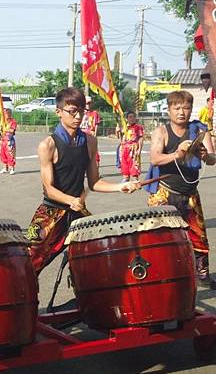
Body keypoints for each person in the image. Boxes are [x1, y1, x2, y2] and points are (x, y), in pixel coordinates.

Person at [26, 87, 140, 275]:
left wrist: (121, 186)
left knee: (98, 254)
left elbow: (94, 182)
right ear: (58, 112)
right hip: (51, 212)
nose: (78, 116)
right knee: (28, 262)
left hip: (77, 212)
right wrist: (70, 200)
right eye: (72, 111)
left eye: (81, 111)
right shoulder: (48, 145)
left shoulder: (90, 141)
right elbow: (49, 189)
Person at [148, 90, 216, 290]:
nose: (181, 112)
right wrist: (177, 154)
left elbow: (212, 158)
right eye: (176, 108)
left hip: (190, 193)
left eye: (185, 108)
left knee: (199, 237)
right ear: (168, 110)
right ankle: (157, 276)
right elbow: (155, 159)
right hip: (164, 192)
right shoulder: (161, 131)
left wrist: (205, 156)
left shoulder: (199, 130)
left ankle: (202, 273)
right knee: (158, 238)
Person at [119, 111, 145, 182]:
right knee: (124, 164)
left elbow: (141, 138)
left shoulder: (138, 127)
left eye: (133, 117)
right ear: (126, 118)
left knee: (134, 164)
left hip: (133, 148)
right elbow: (121, 138)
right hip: (124, 148)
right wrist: (118, 131)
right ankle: (126, 178)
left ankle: (135, 179)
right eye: (130, 117)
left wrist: (139, 149)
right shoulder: (124, 127)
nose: (132, 118)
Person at [80, 95, 101, 164]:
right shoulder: (80, 112)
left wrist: (95, 135)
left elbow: (96, 125)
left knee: (94, 156)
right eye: (86, 103)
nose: (88, 105)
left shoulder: (95, 113)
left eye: (89, 103)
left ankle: (95, 173)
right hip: (81, 135)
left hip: (91, 134)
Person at [0, 108, 17, 175]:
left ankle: (12, 168)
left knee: (10, 154)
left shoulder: (13, 122)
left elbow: (12, 130)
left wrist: (5, 129)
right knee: (2, 154)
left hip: (9, 140)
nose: (4, 115)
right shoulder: (2, 122)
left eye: (5, 113)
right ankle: (5, 168)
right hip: (2, 140)